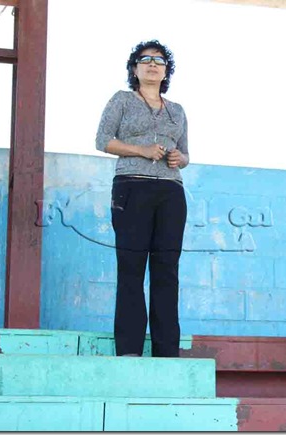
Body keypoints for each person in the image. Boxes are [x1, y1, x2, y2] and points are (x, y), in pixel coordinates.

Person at [95, 40, 189, 358]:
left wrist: (179, 157)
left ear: (166, 71)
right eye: (144, 60)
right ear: (134, 68)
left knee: (166, 271)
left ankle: (166, 352)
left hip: (171, 192)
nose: (152, 64)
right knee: (132, 268)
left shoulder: (177, 110)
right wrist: (142, 150)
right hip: (131, 187)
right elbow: (102, 140)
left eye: (159, 61)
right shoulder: (122, 100)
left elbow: (186, 153)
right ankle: (129, 350)